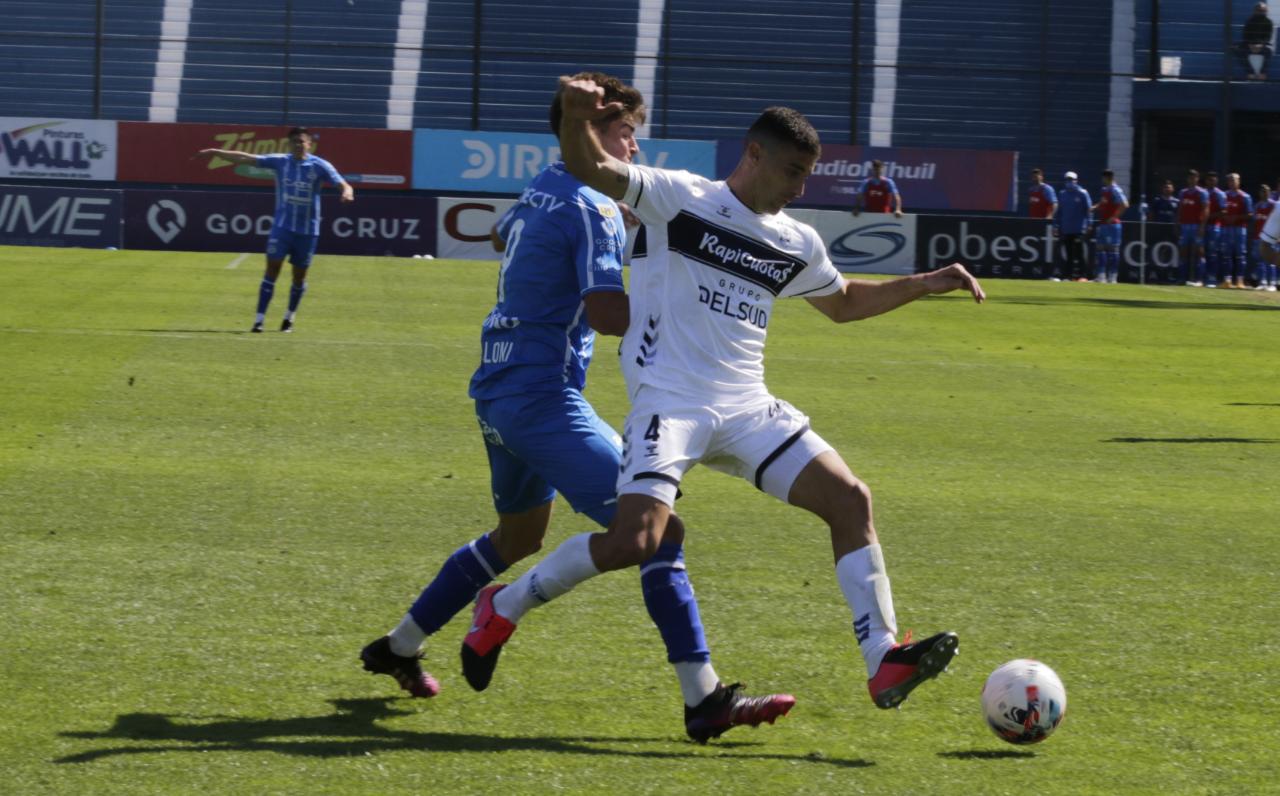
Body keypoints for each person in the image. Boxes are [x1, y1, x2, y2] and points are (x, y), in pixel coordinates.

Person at [461, 78, 986, 730]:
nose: (800, 188)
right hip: (670, 405)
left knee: (851, 498)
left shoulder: (795, 240)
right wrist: (576, 117)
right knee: (635, 541)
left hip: (747, 410)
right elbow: (591, 167)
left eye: (808, 175)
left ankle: (883, 657)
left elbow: (844, 302)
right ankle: (504, 605)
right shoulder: (679, 198)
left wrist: (926, 283)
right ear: (754, 154)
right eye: (792, 172)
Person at [359, 72, 794, 745]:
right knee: (658, 532)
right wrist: (686, 302)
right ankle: (703, 697)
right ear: (590, 131)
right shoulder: (593, 206)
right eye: (625, 134)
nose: (635, 149)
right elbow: (606, 312)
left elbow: (504, 235)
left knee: (518, 538)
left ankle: (399, 646)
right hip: (541, 398)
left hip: (498, 388)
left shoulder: (544, 186)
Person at [197, 128, 353, 333]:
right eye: (294, 141)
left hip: (307, 232)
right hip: (282, 228)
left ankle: (289, 317)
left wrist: (347, 193)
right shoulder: (280, 161)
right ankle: (259, 320)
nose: (298, 145)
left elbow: (344, 184)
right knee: (272, 271)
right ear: (289, 144)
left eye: (302, 141)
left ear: (309, 144)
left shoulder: (320, 166)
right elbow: (246, 158)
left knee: (299, 277)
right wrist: (217, 152)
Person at [1090, 169, 1129, 283]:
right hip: (1103, 224)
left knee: (1113, 250)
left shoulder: (1115, 190)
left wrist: (1114, 217)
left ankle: (1113, 276)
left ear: (1108, 178)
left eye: (1104, 178)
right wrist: (1094, 207)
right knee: (1100, 249)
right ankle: (1101, 276)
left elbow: (1125, 204)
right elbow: (1103, 204)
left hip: (1112, 225)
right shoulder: (1105, 190)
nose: (1102, 180)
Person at [1054, 171, 1092, 281]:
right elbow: (1059, 212)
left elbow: (1088, 210)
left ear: (1076, 180)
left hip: (1079, 229)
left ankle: (1083, 275)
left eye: (1071, 179)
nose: (1069, 182)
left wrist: (1089, 223)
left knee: (1079, 253)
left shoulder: (1083, 193)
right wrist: (1056, 225)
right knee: (1069, 254)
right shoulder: (1062, 194)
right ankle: (1068, 276)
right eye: (1067, 179)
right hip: (1066, 229)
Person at [1218, 173, 1254, 288]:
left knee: (1240, 255)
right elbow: (1221, 210)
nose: (1232, 182)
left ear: (1239, 182)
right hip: (1226, 228)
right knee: (1226, 254)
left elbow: (1250, 214)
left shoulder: (1245, 196)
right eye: (1230, 180)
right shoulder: (1223, 195)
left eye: (1234, 180)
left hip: (1239, 229)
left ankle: (1239, 281)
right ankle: (1227, 280)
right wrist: (1225, 217)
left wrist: (1236, 218)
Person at [1176, 170, 1210, 286]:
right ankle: (1182, 278)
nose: (1192, 179)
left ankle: (1200, 279)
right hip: (1185, 225)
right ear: (1187, 179)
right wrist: (1178, 222)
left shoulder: (1202, 192)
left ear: (1197, 178)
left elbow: (1206, 209)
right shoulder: (1183, 192)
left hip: (1196, 225)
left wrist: (1202, 226)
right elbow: (1180, 208)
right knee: (1183, 251)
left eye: (1194, 177)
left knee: (1199, 251)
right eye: (1190, 177)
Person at [1202, 171, 1228, 287]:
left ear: (1216, 181)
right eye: (1209, 180)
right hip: (1202, 226)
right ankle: (1202, 277)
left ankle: (1212, 277)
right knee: (1202, 252)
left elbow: (1224, 211)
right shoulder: (1203, 192)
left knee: (1213, 252)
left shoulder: (1220, 194)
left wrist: (1209, 216)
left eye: (1213, 180)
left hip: (1214, 227)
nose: (1211, 182)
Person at [1238, 3, 1274, 80]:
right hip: (1250, 45)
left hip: (1262, 45)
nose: (1261, 12)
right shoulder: (1249, 21)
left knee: (1269, 51)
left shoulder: (1268, 22)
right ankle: (1250, 72)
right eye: (1259, 10)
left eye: (1263, 11)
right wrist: (1251, 45)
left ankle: (1262, 73)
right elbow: (1245, 35)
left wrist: (1261, 45)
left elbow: (1268, 37)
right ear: (1255, 11)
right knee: (1238, 50)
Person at [1252, 185, 1277, 290]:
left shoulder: (1274, 205)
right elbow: (1255, 222)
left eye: (1266, 191)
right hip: (1259, 236)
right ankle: (1262, 282)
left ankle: (1272, 283)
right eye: (1262, 191)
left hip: (1271, 237)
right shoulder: (1257, 206)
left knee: (1270, 260)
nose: (1264, 193)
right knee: (1260, 260)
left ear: (1269, 193)